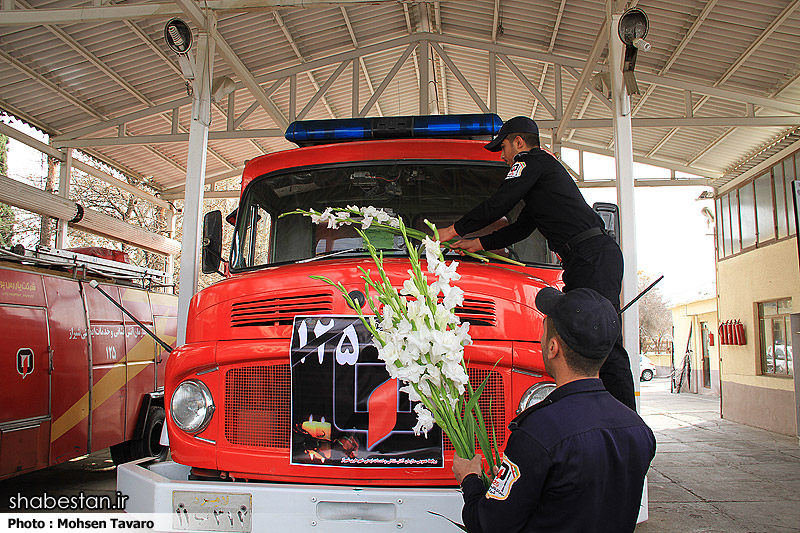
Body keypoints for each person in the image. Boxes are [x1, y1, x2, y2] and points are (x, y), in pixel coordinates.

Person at [437, 116, 635, 410]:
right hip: (585, 258)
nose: (504, 158)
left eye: (503, 148)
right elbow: (521, 228)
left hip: (592, 256)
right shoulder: (541, 181)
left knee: (602, 340)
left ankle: (625, 425)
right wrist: (476, 243)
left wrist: (450, 232)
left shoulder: (532, 161)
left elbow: (498, 204)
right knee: (583, 338)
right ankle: (599, 415)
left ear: (519, 142)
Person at [452, 287, 656, 533]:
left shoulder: (537, 433)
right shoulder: (639, 430)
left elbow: (488, 524)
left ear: (552, 348)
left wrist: (470, 480)